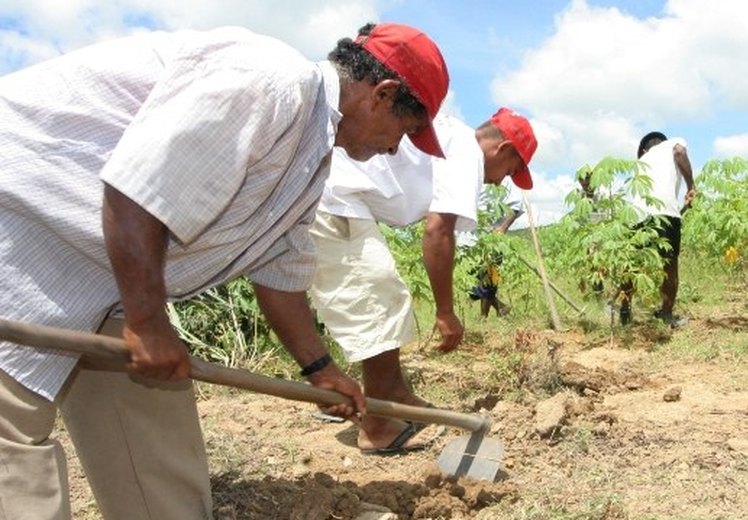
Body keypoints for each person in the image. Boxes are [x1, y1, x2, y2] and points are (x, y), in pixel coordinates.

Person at [0, 22, 449, 520]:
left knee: (155, 435)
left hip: (105, 276)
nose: (394, 149)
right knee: (10, 439)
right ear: (383, 95)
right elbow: (133, 189)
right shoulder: (266, 83)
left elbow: (280, 270)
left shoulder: (310, 152)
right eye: (404, 133)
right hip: (22, 236)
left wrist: (320, 371)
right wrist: (146, 323)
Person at [309, 108, 536, 453]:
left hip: (337, 196)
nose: (502, 180)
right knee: (377, 297)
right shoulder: (467, 154)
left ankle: (395, 396)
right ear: (502, 149)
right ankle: (378, 425)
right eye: (511, 170)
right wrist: (446, 311)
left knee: (385, 295)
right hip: (332, 200)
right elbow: (437, 231)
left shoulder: (452, 140)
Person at [619, 131, 696, 327]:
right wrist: (691, 186)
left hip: (637, 216)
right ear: (663, 143)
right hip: (664, 214)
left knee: (633, 267)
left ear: (644, 149)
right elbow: (679, 152)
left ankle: (624, 312)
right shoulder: (673, 143)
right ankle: (666, 314)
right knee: (669, 266)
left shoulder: (641, 162)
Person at [466, 178, 525, 318]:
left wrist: (502, 227)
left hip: (493, 240)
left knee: (489, 280)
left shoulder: (502, 179)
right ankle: (501, 307)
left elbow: (517, 206)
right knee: (474, 282)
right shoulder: (470, 177)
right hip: (470, 239)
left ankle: (483, 317)